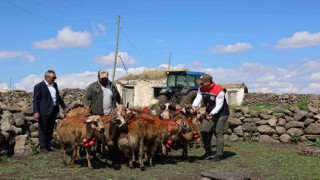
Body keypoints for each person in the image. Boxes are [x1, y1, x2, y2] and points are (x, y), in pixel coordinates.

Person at [191, 74, 230, 162]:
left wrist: (212, 113)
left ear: (208, 82)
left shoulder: (219, 91)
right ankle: (209, 152)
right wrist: (194, 106)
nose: (200, 84)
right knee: (204, 131)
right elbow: (198, 98)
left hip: (221, 113)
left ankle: (220, 155)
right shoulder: (201, 88)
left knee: (218, 132)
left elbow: (219, 105)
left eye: (202, 83)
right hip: (210, 112)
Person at [33, 70, 68, 153]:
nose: (54, 79)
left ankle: (49, 145)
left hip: (53, 110)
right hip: (43, 111)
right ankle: (42, 147)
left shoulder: (54, 85)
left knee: (50, 129)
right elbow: (36, 100)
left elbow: (58, 97)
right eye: (53, 77)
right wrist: (36, 111)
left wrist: (64, 106)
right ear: (47, 77)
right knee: (42, 129)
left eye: (55, 77)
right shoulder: (39, 86)